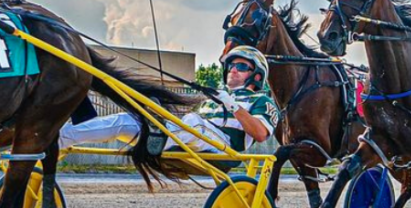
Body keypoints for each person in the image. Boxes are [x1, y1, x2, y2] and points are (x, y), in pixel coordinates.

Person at [59, 45, 278, 154]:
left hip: (223, 146)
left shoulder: (262, 100)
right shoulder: (214, 98)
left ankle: (158, 133)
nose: (233, 70)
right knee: (126, 120)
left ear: (257, 75)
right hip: (192, 137)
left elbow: (259, 134)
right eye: (231, 65)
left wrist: (231, 105)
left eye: (241, 67)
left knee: (194, 122)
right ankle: (60, 139)